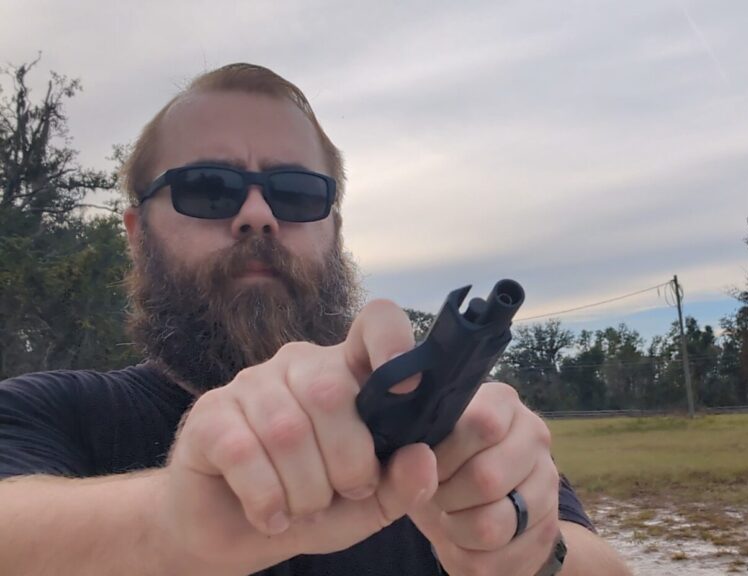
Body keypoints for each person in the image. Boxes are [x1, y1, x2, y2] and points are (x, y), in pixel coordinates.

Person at [0, 63, 631, 576]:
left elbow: (595, 562)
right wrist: (172, 522)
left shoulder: (441, 425)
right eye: (208, 189)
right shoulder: (48, 412)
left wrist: (529, 551)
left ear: (334, 229)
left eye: (297, 192)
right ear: (137, 236)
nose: (256, 214)